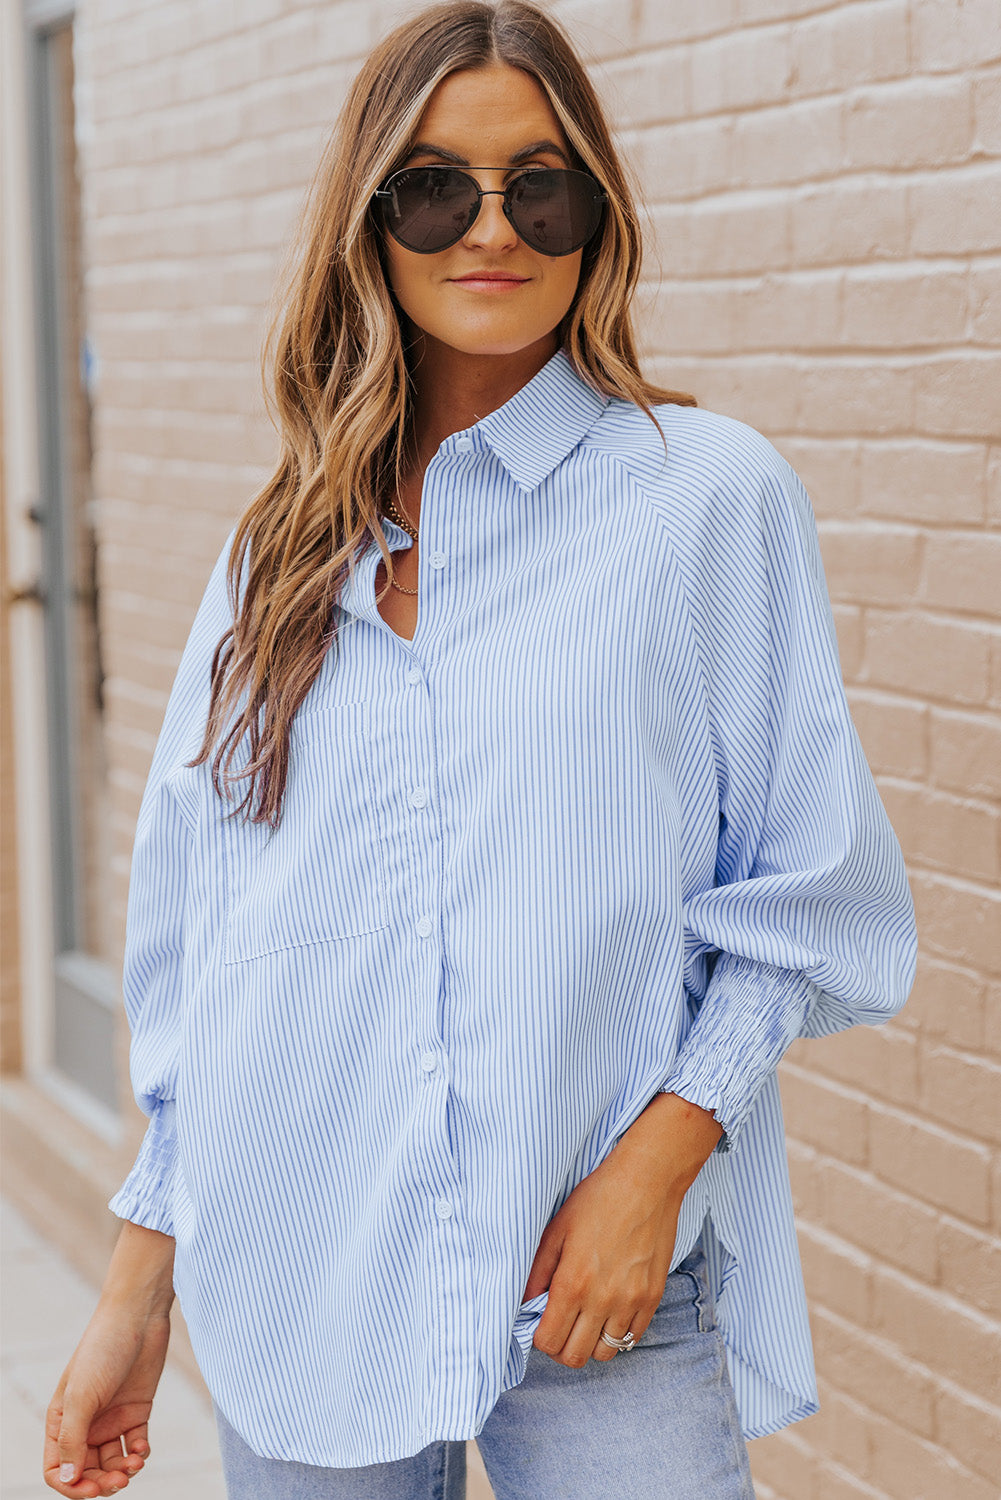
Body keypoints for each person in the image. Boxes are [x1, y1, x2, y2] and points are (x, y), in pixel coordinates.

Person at [43, 3, 918, 1497]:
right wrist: (136, 1282)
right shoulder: (281, 550)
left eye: (540, 184)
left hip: (595, 1282)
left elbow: (804, 885)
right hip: (298, 1264)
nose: (490, 226)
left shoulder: (702, 499)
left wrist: (660, 1161)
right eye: (435, 187)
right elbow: (204, 942)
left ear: (596, 211)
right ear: (371, 224)